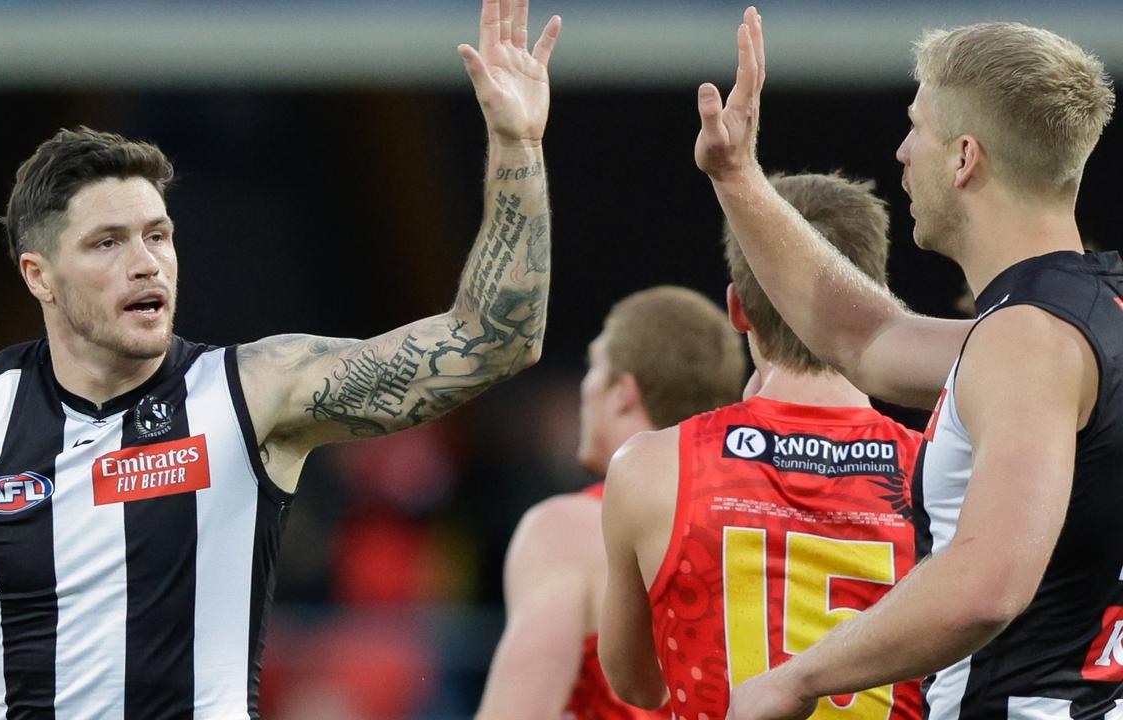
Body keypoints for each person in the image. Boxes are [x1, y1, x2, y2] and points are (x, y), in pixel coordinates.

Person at [0, 1, 562, 716]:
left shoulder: (252, 392)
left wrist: (516, 142)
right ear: (39, 276)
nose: (147, 263)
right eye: (108, 242)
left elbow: (492, 341)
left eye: (159, 235)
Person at [692, 8, 1120, 720]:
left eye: (918, 126)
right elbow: (863, 337)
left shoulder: (1029, 340)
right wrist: (739, 179)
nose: (900, 150)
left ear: (964, 157)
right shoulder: (1075, 316)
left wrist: (795, 679)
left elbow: (986, 584)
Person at [598, 172, 925, 720]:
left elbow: (636, 684)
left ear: (737, 307)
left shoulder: (649, 469)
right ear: (876, 299)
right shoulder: (942, 472)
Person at [475, 285, 746, 720]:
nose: (586, 387)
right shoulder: (757, 524)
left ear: (623, 392)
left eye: (593, 367)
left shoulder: (566, 530)